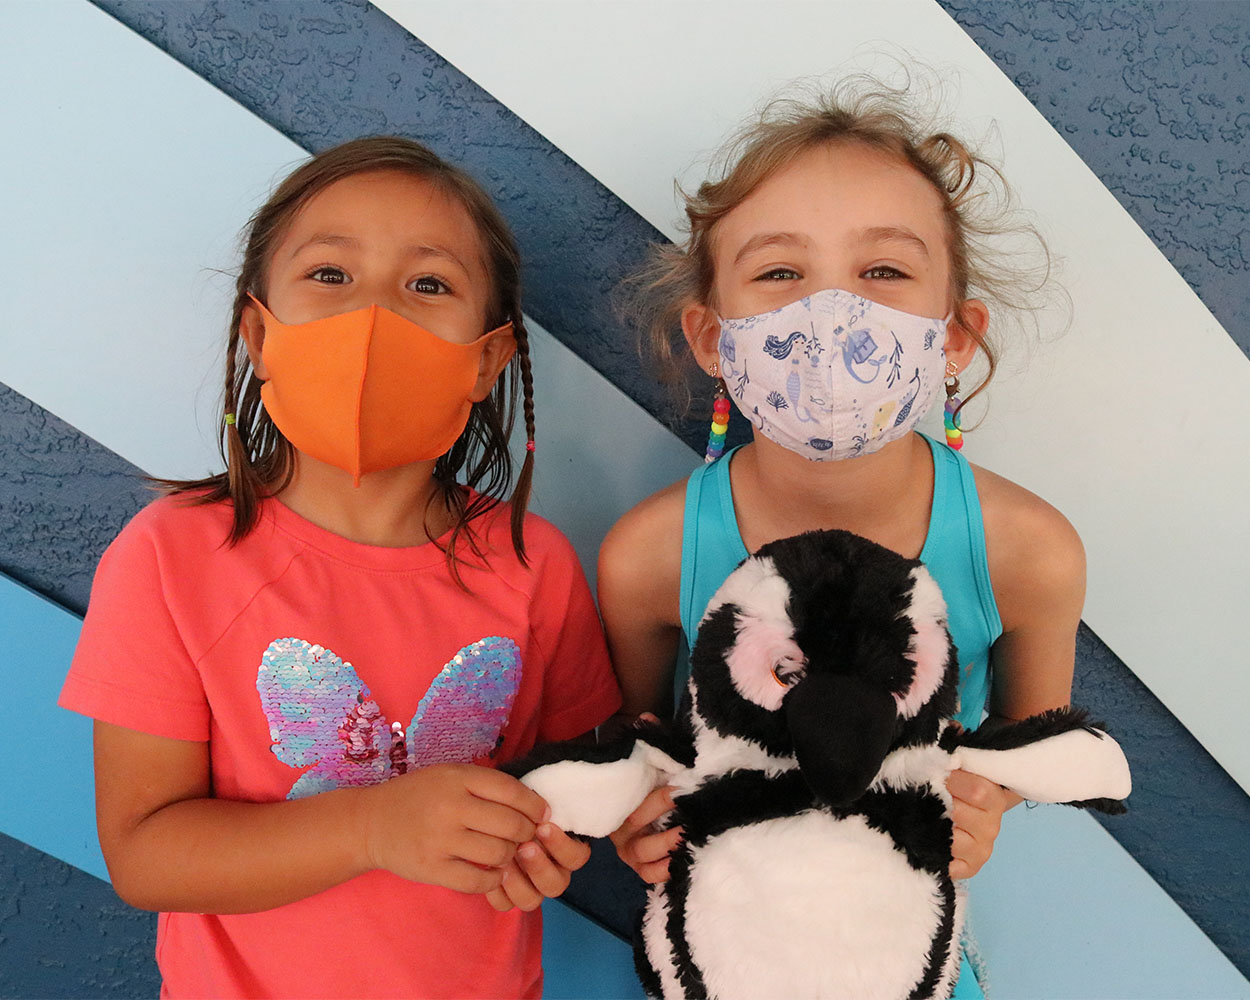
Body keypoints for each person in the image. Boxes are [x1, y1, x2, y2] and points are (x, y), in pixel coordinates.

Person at [58, 136, 621, 999]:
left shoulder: (532, 563)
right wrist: (370, 829)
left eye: (428, 284)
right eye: (330, 275)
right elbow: (145, 854)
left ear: (488, 359)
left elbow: (567, 782)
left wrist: (544, 841)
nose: (375, 316)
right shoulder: (168, 557)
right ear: (258, 332)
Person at [599, 81, 1082, 995]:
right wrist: (637, 816)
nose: (833, 313)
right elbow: (642, 747)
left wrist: (987, 802)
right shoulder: (647, 556)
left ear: (955, 338)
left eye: (885, 273)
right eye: (780, 273)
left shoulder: (1029, 552)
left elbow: (1035, 741)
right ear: (711, 337)